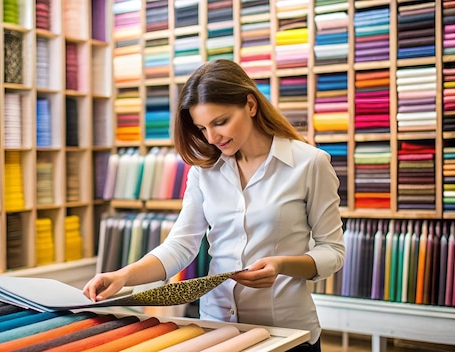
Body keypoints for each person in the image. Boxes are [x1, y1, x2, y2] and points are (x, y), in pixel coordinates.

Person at [83, 59, 345, 351]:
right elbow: (180, 246)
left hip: (287, 333)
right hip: (218, 330)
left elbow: (332, 251)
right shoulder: (204, 171)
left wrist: (282, 265)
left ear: (250, 105)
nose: (212, 137)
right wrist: (123, 276)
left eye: (220, 122)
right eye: (202, 127)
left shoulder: (309, 163)